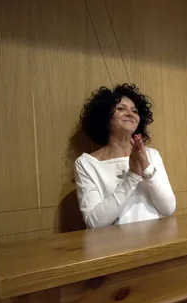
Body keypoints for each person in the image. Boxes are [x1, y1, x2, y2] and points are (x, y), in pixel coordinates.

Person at [74, 83, 176, 229]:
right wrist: (133, 175)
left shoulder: (152, 155)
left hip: (156, 243)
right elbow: (94, 222)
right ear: (105, 117)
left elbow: (168, 209)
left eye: (134, 111)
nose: (130, 114)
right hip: (115, 248)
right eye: (121, 109)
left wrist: (146, 167)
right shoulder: (86, 164)